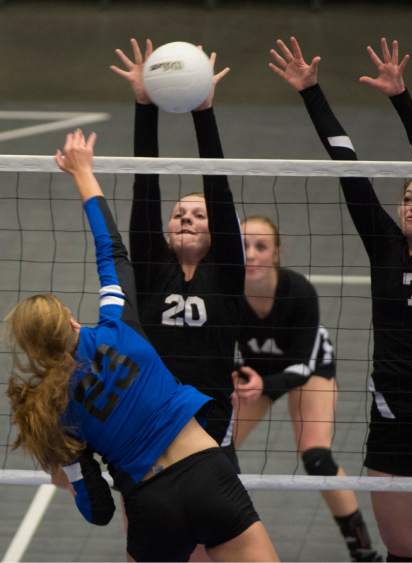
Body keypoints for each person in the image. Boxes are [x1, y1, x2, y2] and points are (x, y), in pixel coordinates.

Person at [6, 129, 279, 563]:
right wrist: (83, 174)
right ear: (72, 321)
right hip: (206, 471)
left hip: (149, 503)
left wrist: (71, 468)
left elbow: (98, 510)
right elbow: (110, 248)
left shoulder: (57, 412)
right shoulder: (119, 327)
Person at [268, 36, 412, 562]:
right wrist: (311, 92)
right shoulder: (385, 248)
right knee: (405, 558)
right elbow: (348, 169)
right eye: (406, 199)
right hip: (391, 434)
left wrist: (401, 98)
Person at [111, 39, 242, 464]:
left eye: (198, 216)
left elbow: (218, 191)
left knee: (207, 532)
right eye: (180, 213)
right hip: (150, 422)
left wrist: (204, 114)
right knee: (146, 531)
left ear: (216, 232)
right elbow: (144, 189)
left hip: (210, 426)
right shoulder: (151, 270)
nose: (186, 218)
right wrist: (144, 107)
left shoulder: (226, 274)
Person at [232, 215, 382, 563]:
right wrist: (239, 374)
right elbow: (217, 346)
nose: (251, 254)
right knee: (214, 451)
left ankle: (363, 550)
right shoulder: (226, 293)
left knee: (316, 457)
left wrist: (262, 384)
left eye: (260, 246)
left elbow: (300, 366)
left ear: (277, 253)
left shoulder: (298, 292)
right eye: (243, 247)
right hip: (257, 373)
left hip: (308, 369)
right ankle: (220, 534)